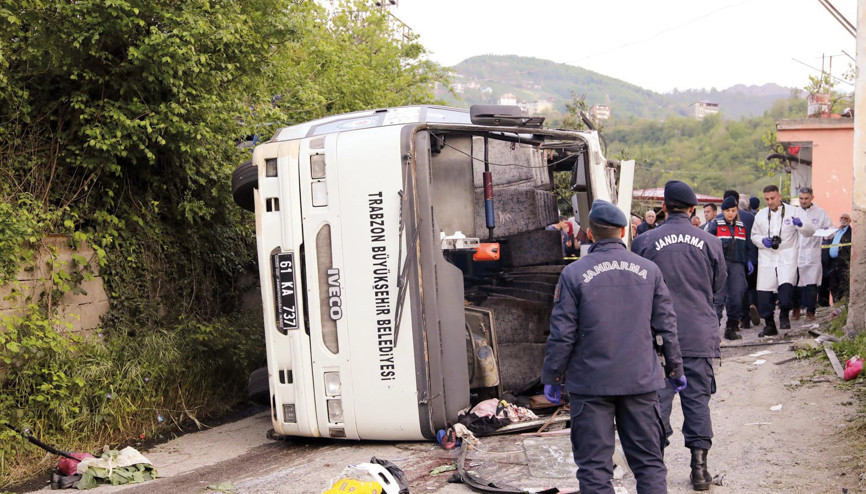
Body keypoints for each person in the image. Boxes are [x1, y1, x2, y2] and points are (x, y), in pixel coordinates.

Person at [543, 199, 684, 494]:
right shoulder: (649, 271)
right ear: (623, 231)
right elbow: (666, 325)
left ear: (590, 234)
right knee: (648, 463)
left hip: (591, 383)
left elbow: (562, 332)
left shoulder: (573, 274)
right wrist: (675, 368)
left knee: (594, 467)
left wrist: (553, 376)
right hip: (641, 381)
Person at [632, 181, 726, 492]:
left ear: (664, 207)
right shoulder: (710, 241)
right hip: (698, 333)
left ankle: (654, 469)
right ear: (692, 209)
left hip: (656, 337)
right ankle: (699, 471)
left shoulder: (644, 241)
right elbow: (717, 284)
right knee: (697, 400)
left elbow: (638, 288)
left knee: (657, 401)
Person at [750, 185, 815, 335]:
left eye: (772, 198)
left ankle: (784, 315)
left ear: (779, 196)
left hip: (787, 255)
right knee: (764, 293)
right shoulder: (760, 215)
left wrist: (801, 224)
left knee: (785, 291)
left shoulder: (794, 211)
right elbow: (754, 235)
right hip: (767, 256)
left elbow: (810, 231)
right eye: (767, 199)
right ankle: (770, 325)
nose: (770, 202)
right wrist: (762, 240)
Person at [706, 196, 749, 340]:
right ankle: (712, 332)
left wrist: (748, 261)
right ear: (723, 211)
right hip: (721, 265)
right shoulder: (716, 225)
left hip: (738, 265)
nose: (730, 213)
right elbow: (708, 245)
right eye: (727, 211)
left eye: (733, 210)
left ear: (737, 210)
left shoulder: (741, 226)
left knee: (737, 297)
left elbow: (747, 246)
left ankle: (731, 328)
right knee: (718, 299)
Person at [793, 188, 832, 321]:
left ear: (812, 198)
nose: (803, 201)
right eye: (801, 198)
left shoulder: (820, 213)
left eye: (806, 199)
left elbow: (830, 229)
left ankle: (810, 311)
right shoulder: (794, 212)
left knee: (812, 284)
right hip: (797, 252)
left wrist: (827, 232)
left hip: (814, 251)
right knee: (796, 284)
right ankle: (796, 310)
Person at [825, 212, 852, 302]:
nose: (843, 220)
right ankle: (836, 304)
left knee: (843, 284)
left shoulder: (850, 233)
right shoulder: (836, 231)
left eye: (846, 218)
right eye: (842, 218)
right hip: (832, 262)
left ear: (850, 221)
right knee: (833, 284)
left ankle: (842, 304)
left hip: (843, 262)